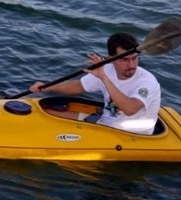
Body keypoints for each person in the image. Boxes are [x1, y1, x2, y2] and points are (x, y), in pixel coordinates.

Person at [30, 32, 162, 135]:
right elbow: (78, 86)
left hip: (131, 134)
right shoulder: (106, 69)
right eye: (125, 60)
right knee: (49, 115)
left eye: (134, 58)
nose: (131, 65)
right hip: (105, 122)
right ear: (111, 59)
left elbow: (130, 109)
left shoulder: (146, 81)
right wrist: (46, 87)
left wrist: (104, 78)